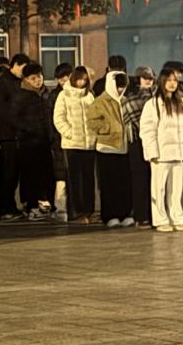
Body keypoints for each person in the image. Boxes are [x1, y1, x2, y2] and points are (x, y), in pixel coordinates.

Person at [140, 66, 183, 233]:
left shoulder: (181, 104)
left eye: (175, 80)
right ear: (161, 82)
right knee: (159, 188)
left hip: (178, 154)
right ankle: (160, 219)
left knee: (176, 189)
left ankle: (177, 217)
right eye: (169, 80)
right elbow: (147, 130)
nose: (172, 83)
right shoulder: (152, 104)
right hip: (161, 155)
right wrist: (152, 152)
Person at [88, 71, 132, 227]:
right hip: (107, 148)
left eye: (123, 87)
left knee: (124, 183)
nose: (120, 90)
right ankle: (110, 215)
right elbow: (92, 122)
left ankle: (124, 213)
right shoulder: (100, 101)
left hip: (124, 148)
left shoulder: (125, 101)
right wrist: (109, 128)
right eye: (118, 86)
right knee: (109, 184)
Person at [0, 53, 29, 220]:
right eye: (23, 68)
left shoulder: (16, 82)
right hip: (7, 134)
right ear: (16, 64)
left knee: (13, 173)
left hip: (16, 134)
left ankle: (8, 205)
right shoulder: (2, 83)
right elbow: (0, 110)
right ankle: (5, 207)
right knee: (7, 173)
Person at [10, 63, 53, 220]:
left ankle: (43, 202)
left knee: (45, 173)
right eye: (33, 78)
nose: (37, 81)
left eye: (39, 77)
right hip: (28, 141)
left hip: (45, 140)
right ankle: (30, 205)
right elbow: (13, 118)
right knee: (30, 174)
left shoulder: (45, 94)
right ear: (26, 79)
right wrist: (29, 129)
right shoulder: (20, 95)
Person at [54, 66, 96, 223]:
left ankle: (89, 210)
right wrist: (69, 133)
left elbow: (94, 117)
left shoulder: (89, 96)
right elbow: (58, 118)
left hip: (89, 144)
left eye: (84, 80)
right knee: (74, 179)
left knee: (88, 179)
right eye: (79, 79)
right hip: (72, 145)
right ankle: (76, 212)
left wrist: (94, 135)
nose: (81, 83)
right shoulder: (63, 95)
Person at [127, 67, 155, 227]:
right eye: (145, 78)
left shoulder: (157, 96)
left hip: (154, 142)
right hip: (137, 143)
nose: (148, 81)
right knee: (140, 180)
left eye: (150, 78)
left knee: (154, 179)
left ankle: (153, 213)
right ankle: (141, 214)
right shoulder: (131, 98)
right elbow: (136, 122)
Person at [47, 63, 72, 220]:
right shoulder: (54, 96)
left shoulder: (78, 93)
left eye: (66, 79)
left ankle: (72, 207)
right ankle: (60, 207)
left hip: (74, 141)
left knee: (71, 174)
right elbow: (50, 120)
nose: (63, 82)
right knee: (61, 174)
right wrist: (54, 138)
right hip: (59, 140)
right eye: (61, 80)